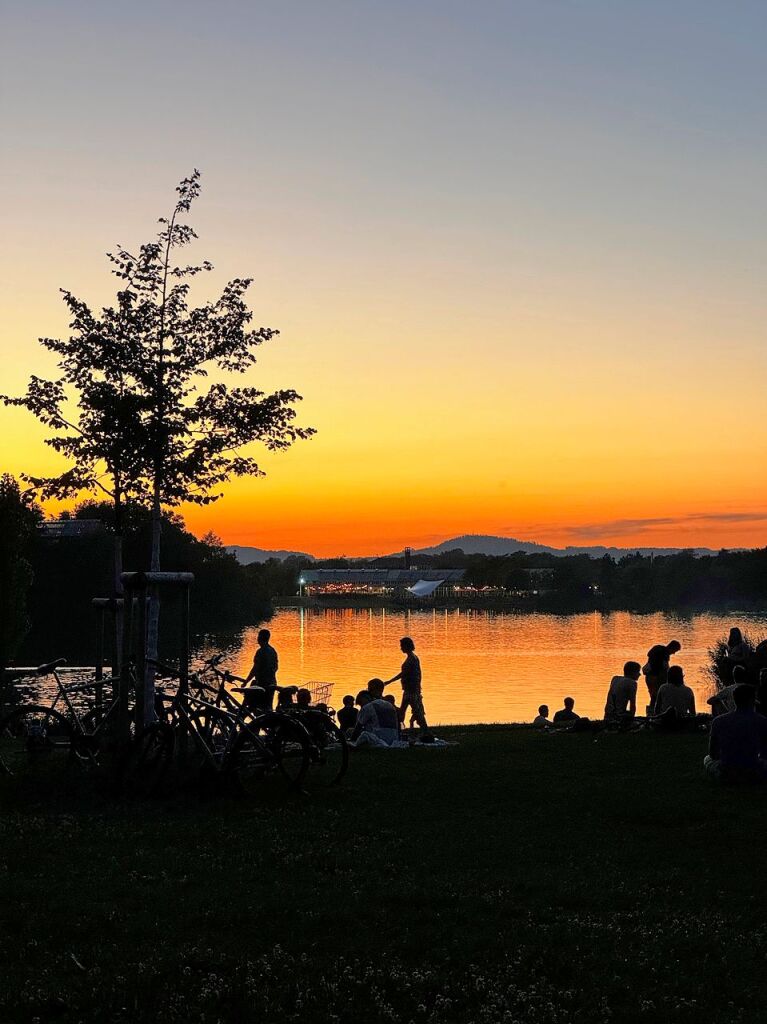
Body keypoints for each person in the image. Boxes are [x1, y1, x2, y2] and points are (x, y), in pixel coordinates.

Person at [704, 684, 767, 782]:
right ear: (752, 700)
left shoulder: (718, 721)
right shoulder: (763, 721)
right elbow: (765, 752)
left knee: (707, 759)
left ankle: (726, 774)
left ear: (734, 700)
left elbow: (713, 754)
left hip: (727, 769)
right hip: (753, 768)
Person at [384, 637, 433, 741]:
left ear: (407, 646)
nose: (401, 648)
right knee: (405, 712)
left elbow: (404, 674)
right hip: (409, 690)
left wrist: (389, 681)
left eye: (402, 646)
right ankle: (402, 731)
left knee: (417, 712)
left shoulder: (412, 659)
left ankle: (425, 732)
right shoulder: (413, 658)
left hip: (411, 691)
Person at [351, 678, 402, 747]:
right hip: (393, 739)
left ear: (371, 690)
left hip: (378, 739)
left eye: (368, 688)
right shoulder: (390, 706)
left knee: (363, 734)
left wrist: (351, 740)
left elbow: (358, 728)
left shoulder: (369, 706)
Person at [243, 628, 279, 712]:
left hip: (262, 684)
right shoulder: (273, 651)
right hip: (272, 683)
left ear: (260, 638)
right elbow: (276, 667)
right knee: (267, 708)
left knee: (254, 707)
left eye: (258, 636)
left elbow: (255, 669)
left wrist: (246, 681)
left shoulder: (260, 652)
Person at [642, 640, 681, 711]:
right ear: (672, 647)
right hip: (657, 677)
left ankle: (650, 711)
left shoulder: (656, 648)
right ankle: (656, 712)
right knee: (657, 696)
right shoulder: (665, 653)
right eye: (675, 650)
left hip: (649, 676)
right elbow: (665, 667)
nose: (674, 653)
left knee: (652, 694)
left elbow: (649, 656)